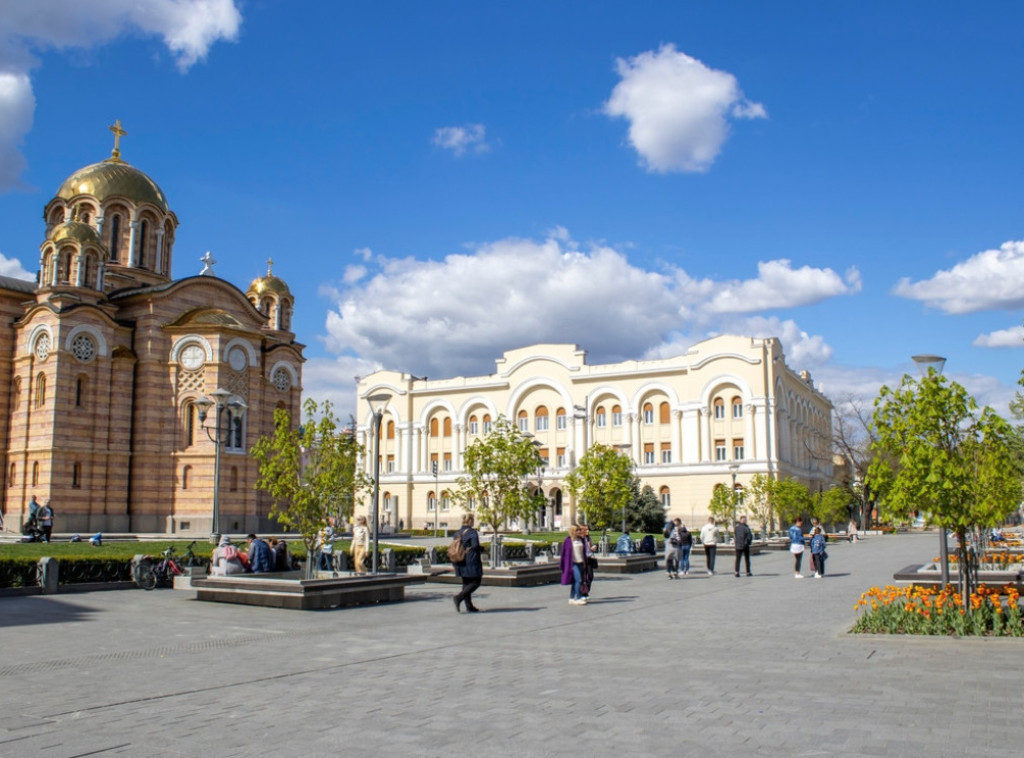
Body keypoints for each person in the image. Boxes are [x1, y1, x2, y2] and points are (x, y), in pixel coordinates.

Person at [452, 513, 483, 612]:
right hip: (471, 560)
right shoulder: (472, 532)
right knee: (476, 582)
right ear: (469, 521)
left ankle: (469, 606)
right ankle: (459, 597)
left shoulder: (458, 533)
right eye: (472, 520)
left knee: (466, 583)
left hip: (460, 560)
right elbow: (475, 546)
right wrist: (482, 548)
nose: (473, 522)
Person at [560, 524, 588, 605]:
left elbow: (583, 552)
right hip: (573, 563)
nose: (579, 531)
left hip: (580, 562)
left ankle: (571, 598)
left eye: (579, 530)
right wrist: (563, 565)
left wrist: (585, 562)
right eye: (577, 530)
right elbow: (563, 553)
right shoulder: (568, 541)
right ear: (573, 531)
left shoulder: (581, 540)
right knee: (578, 580)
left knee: (575, 581)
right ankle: (578, 598)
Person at [580, 524, 596, 600]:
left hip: (589, 559)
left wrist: (593, 547)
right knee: (583, 577)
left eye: (588, 529)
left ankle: (586, 590)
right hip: (582, 559)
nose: (588, 531)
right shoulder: (580, 539)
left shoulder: (589, 538)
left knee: (590, 576)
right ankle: (583, 593)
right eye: (586, 530)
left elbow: (592, 547)